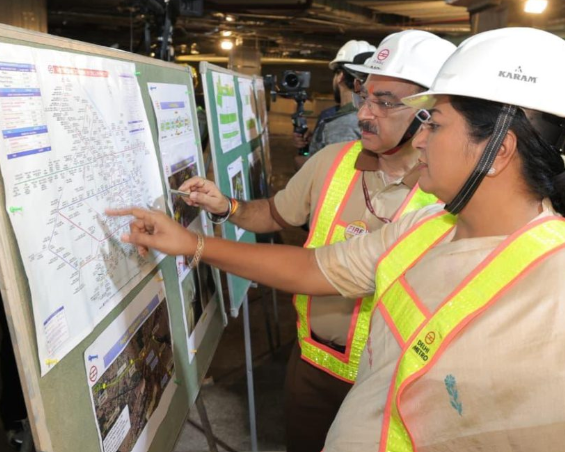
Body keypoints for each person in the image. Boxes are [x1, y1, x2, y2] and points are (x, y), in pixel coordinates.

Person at [109, 27, 565, 451]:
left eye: (434, 124)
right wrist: (190, 245)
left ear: (499, 149)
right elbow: (316, 270)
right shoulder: (426, 227)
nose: (419, 140)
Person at [180, 30, 455, 452]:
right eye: (364, 96)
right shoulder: (331, 162)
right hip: (311, 368)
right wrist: (225, 207)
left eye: (385, 102)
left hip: (395, 386)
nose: (364, 112)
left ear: (430, 112)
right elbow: (275, 214)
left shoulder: (451, 196)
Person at [293, 39, 375, 169]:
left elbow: (335, 175)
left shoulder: (342, 125)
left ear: (340, 76)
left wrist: (304, 165)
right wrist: (316, 141)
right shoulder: (375, 115)